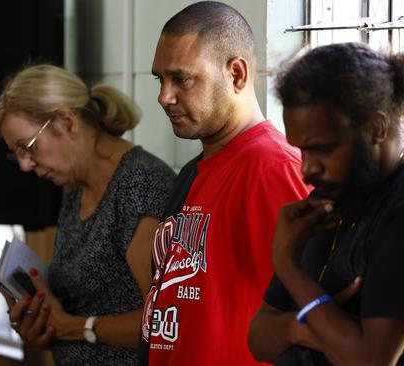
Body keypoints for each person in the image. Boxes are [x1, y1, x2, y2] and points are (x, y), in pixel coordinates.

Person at [248, 42, 404, 366]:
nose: (307, 169)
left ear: (376, 128)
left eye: (322, 149)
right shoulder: (331, 198)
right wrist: (306, 329)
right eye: (301, 151)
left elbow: (368, 359)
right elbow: (258, 339)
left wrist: (289, 268)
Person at [139, 2, 310, 365]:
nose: (163, 97)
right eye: (160, 80)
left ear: (236, 74)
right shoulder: (196, 170)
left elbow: (305, 314)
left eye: (181, 79)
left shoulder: (271, 168)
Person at [0, 64, 176, 365]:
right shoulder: (75, 191)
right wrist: (42, 325)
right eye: (18, 154)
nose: (25, 166)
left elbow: (166, 321)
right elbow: (78, 308)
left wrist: (74, 328)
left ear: (67, 122)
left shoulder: (140, 184)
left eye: (29, 148)